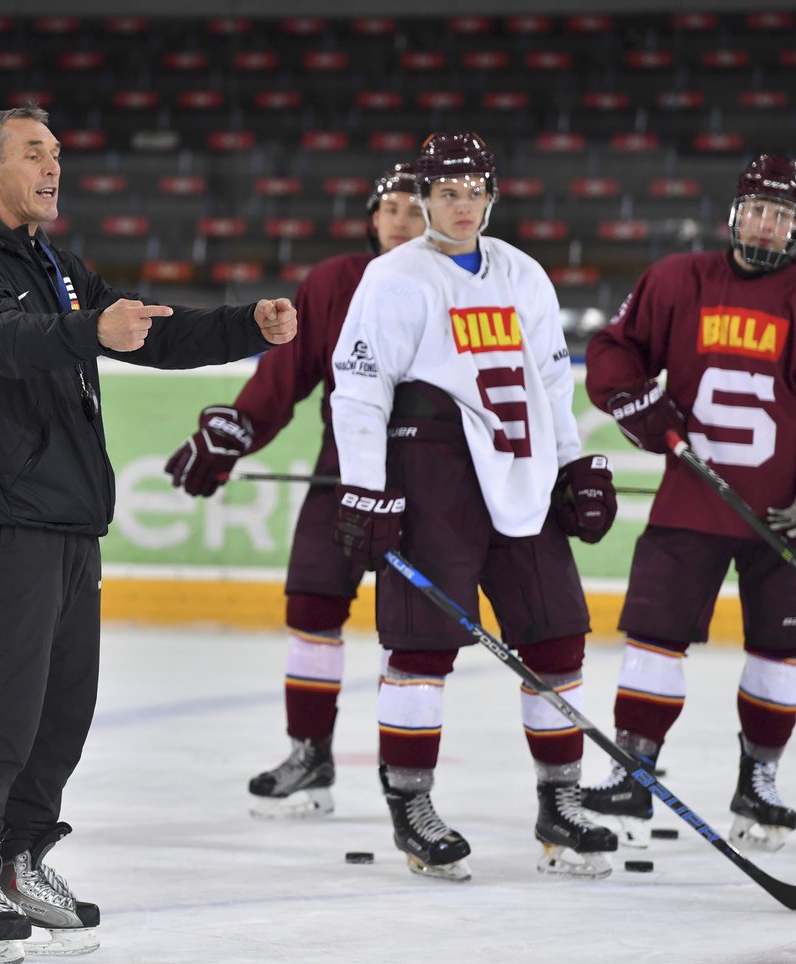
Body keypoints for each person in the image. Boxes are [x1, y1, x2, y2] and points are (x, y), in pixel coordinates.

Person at [0, 106, 296, 964]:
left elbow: (144, 329)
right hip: (6, 519)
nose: (54, 166)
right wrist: (88, 329)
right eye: (34, 153)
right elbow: (3, 343)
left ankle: (17, 862)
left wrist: (247, 327)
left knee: (61, 715)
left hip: (72, 521)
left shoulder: (54, 264)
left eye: (58, 151)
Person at [329, 132, 620, 882]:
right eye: (447, 193)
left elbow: (552, 383)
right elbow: (360, 390)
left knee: (557, 639)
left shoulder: (523, 273)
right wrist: (366, 485)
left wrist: (575, 461)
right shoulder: (395, 277)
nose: (462, 206)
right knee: (422, 647)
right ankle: (412, 808)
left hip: (522, 474)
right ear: (424, 198)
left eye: (474, 191)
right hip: (432, 476)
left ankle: (560, 802)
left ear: (493, 194)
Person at [582, 154, 796, 852]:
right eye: (759, 211)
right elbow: (615, 351)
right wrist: (640, 404)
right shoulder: (678, 279)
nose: (767, 227)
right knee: (654, 638)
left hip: (784, 515)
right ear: (736, 213)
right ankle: (635, 770)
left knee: (780, 650)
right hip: (693, 498)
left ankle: (759, 780)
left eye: (783, 216)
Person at [164, 163, 424, 818]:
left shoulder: (452, 286)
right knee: (311, 607)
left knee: (416, 634)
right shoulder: (334, 282)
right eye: (390, 207)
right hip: (343, 471)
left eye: (416, 210)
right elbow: (282, 379)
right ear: (371, 217)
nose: (401, 221)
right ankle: (311, 755)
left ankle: (411, 781)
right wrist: (235, 432)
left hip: (430, 483)